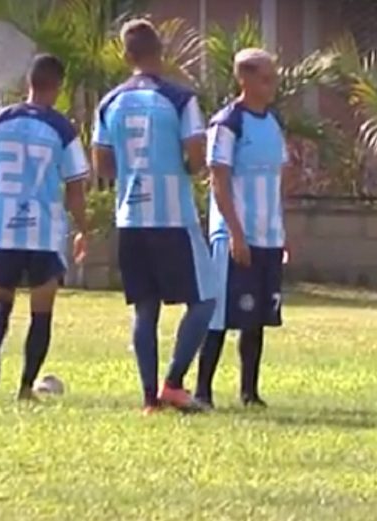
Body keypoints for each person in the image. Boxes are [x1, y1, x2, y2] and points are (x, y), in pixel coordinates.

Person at [91, 19, 216, 414]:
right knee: (206, 299)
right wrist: (184, 168)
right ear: (161, 52)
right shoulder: (180, 98)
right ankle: (175, 383)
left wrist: (132, 175)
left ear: (127, 57)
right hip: (173, 215)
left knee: (145, 308)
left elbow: (102, 162)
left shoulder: (109, 102)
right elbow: (197, 153)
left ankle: (149, 399)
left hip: (131, 215)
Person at [0, 54, 89, 402]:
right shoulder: (62, 129)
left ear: (28, 82)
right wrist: (83, 229)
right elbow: (76, 186)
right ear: (59, 86)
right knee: (42, 310)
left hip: (2, 224)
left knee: (0, 298)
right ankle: (25, 387)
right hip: (43, 230)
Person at [194, 49, 289, 409]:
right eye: (266, 78)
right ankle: (203, 390)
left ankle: (250, 392)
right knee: (220, 313)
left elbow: (279, 178)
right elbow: (218, 180)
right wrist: (235, 233)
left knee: (257, 317)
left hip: (268, 235)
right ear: (245, 80)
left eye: (273, 78)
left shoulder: (273, 121)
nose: (272, 85)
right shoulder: (227, 123)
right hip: (236, 235)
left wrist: (283, 231)